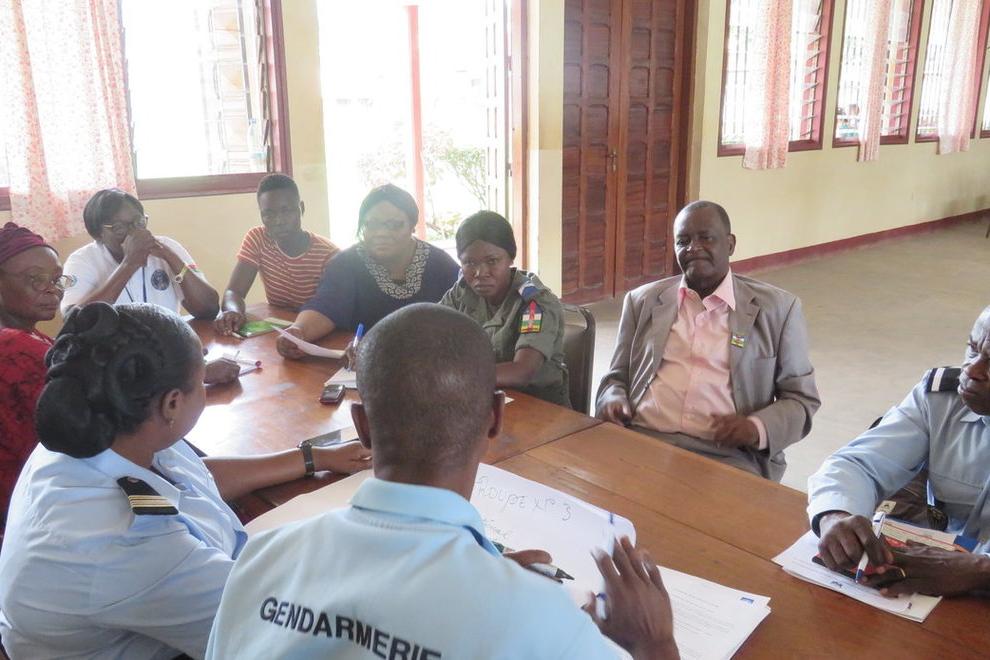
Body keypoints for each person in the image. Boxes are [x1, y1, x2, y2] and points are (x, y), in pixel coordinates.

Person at [206, 304, 678, 659]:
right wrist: (653, 644)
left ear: (363, 426)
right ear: (495, 418)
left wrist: (484, 578)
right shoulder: (543, 623)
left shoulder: (261, 559)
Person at [0, 302, 372, 659]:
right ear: (173, 404)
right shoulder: (124, 542)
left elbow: (194, 482)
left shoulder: (106, 424)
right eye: (201, 377)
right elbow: (266, 635)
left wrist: (312, 457)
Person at [595, 201, 820, 481]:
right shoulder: (642, 301)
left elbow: (801, 400)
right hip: (643, 436)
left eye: (706, 238)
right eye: (683, 241)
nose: (693, 248)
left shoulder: (778, 310)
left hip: (728, 455)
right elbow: (616, 377)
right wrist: (613, 398)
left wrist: (755, 427)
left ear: (730, 244)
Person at [809, 305, 990, 597]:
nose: (972, 370)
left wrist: (981, 572)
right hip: (940, 575)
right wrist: (836, 514)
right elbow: (859, 464)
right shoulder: (941, 400)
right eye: (972, 349)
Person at [276, 184, 459, 359]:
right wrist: (298, 332)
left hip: (430, 362)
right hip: (364, 363)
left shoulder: (440, 265)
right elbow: (326, 306)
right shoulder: (347, 263)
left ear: (412, 226)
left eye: (394, 225)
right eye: (371, 224)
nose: (381, 233)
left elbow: (464, 318)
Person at [441, 211, 570, 407]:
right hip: (481, 397)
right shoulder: (461, 293)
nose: (480, 273)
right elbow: (429, 334)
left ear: (510, 258)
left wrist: (457, 376)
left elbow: (522, 371)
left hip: (539, 407)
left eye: (492, 261)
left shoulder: (534, 304)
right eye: (469, 263)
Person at [61, 188, 220, 320]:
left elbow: (209, 309)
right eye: (119, 228)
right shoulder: (81, 260)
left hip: (167, 341)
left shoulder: (167, 247)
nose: (134, 232)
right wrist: (129, 264)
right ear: (97, 234)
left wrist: (170, 257)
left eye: (139, 222)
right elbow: (73, 320)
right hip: (112, 347)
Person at [0, 223, 69, 524]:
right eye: (35, 280)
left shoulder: (29, 336)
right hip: (32, 505)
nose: (53, 289)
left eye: (56, 279)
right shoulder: (15, 347)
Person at [215, 173, 339, 336]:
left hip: (318, 331)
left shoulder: (329, 255)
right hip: (280, 330)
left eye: (286, 211)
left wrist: (300, 331)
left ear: (301, 209)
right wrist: (233, 312)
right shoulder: (258, 239)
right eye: (269, 214)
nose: (279, 221)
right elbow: (234, 291)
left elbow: (333, 310)